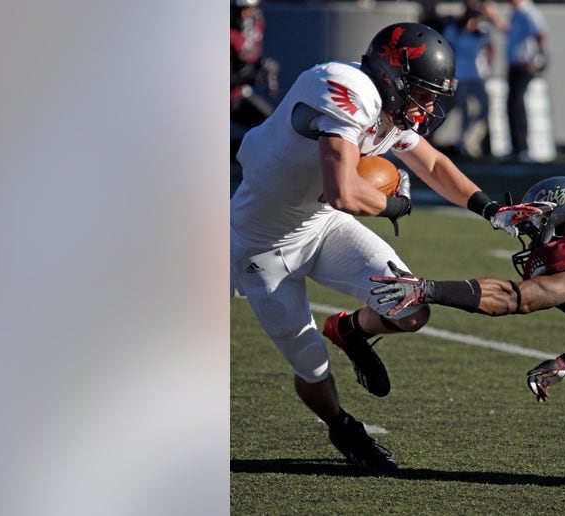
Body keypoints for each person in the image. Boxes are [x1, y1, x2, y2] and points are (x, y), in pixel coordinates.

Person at [231, 22, 548, 470]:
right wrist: (393, 206)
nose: (432, 104)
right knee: (311, 364)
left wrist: (491, 209)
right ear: (392, 77)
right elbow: (343, 191)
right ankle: (342, 427)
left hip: (322, 226)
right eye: (425, 91)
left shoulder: (388, 113)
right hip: (262, 247)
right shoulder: (345, 88)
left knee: (411, 307)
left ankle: (351, 330)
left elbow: (434, 164)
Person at [370, 176, 565, 402]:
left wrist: (429, 289)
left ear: (561, 222)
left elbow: (515, 298)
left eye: (533, 228)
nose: (531, 238)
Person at [482, 0, 548, 162]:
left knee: (516, 104)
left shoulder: (529, 12)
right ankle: (516, 147)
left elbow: (540, 33)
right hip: (515, 66)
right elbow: (510, 32)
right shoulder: (517, 13)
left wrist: (538, 57)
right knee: (512, 105)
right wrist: (494, 17)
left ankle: (522, 148)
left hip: (525, 65)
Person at [442, 1, 494, 159]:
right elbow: (446, 50)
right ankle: (462, 144)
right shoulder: (454, 31)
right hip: (460, 77)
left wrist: (487, 65)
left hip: (477, 77)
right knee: (465, 111)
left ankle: (470, 142)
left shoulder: (482, 32)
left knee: (482, 109)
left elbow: (491, 48)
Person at [231, 0, 279, 131]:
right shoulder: (228, 35)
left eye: (252, 10)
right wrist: (256, 76)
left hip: (238, 93)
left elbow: (252, 58)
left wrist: (264, 65)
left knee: (271, 125)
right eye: (246, 11)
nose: (250, 15)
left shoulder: (256, 26)